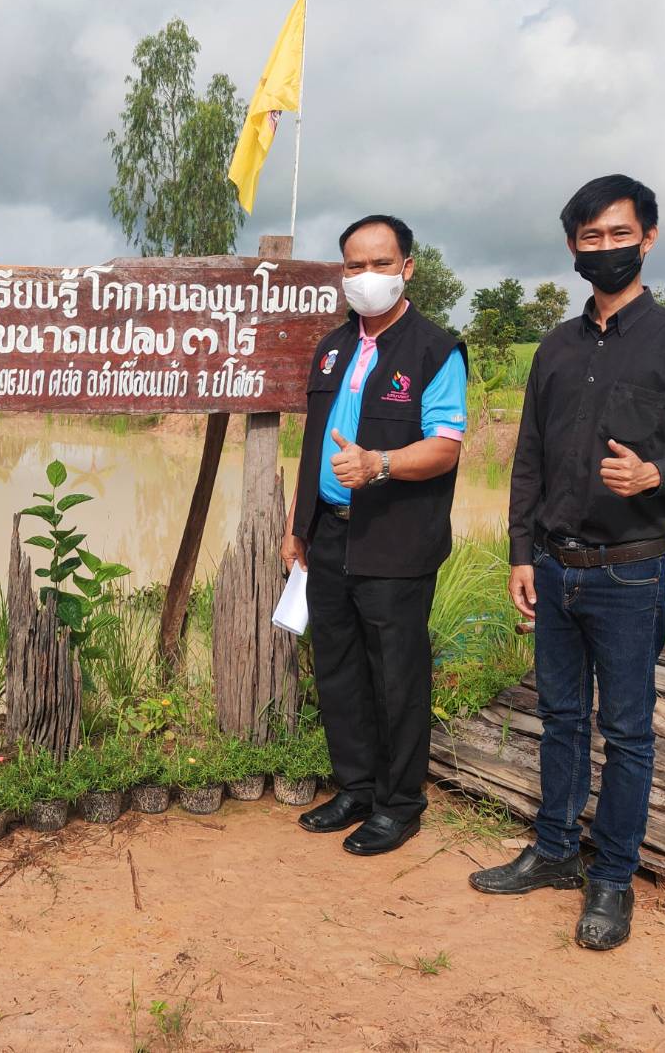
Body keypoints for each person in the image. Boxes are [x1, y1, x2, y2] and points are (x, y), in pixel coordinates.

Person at [469, 175, 665, 950]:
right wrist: (520, 553)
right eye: (590, 237)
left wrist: (655, 474)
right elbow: (528, 462)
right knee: (558, 719)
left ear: (647, 238)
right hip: (552, 565)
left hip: (629, 570)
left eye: (619, 235)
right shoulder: (554, 346)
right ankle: (551, 851)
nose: (605, 249)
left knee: (626, 730)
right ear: (573, 246)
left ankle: (611, 878)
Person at [282, 215, 468, 856]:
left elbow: (445, 447)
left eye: (381, 264)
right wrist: (296, 527)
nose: (367, 277)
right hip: (328, 537)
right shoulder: (331, 347)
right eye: (355, 266)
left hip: (395, 540)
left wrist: (378, 465)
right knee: (337, 670)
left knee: (396, 676)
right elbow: (311, 446)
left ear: (408, 268)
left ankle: (399, 804)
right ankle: (356, 787)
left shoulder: (436, 350)